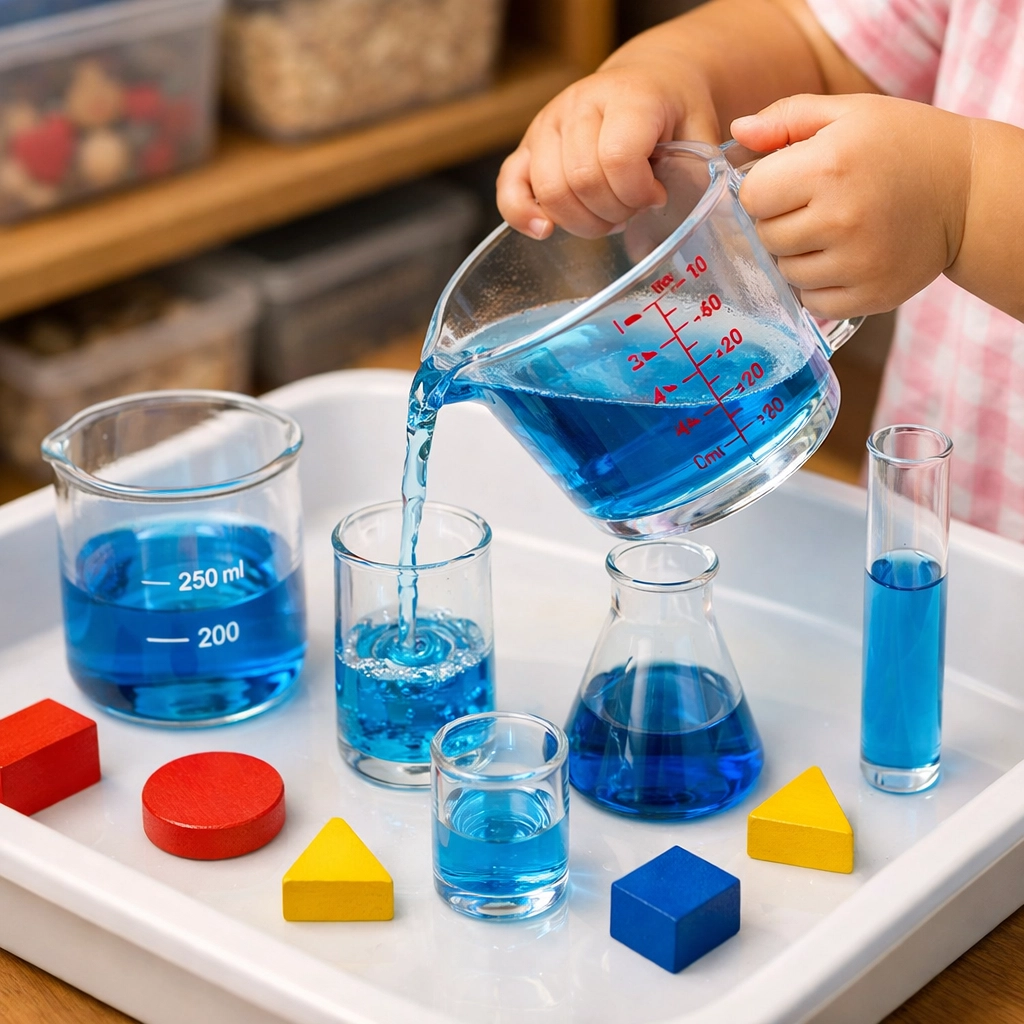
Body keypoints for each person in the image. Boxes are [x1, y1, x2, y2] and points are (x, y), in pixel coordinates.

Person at [496, 0, 1024, 541]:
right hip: (920, 527)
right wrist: (669, 71)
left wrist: (964, 195)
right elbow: (827, 46)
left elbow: (958, 189)